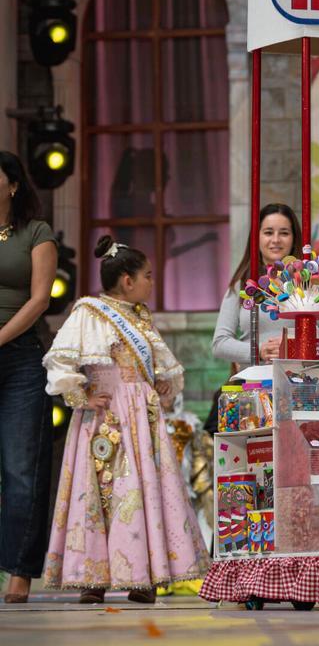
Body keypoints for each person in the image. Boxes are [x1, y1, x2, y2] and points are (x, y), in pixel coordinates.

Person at [42, 236, 210, 603]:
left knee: (145, 488)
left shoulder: (141, 318)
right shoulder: (89, 313)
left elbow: (163, 369)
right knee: (100, 489)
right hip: (107, 413)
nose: (153, 282)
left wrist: (161, 387)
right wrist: (80, 394)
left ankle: (142, 576)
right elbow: (60, 360)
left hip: (141, 416)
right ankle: (94, 578)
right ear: (128, 281)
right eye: (147, 275)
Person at [206, 203, 319, 433]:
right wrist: (257, 351)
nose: (275, 240)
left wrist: (295, 347)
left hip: (303, 393)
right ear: (256, 238)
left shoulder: (313, 284)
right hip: (253, 396)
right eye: (268, 232)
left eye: (284, 233)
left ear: (294, 238)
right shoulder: (242, 285)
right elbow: (219, 343)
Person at [0, 151, 57, 604]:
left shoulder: (36, 233)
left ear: (13, 185)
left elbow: (40, 300)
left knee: (21, 469)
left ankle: (19, 571)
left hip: (21, 357)